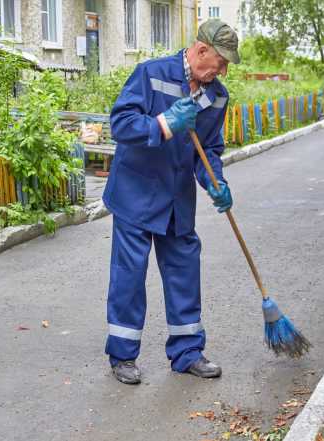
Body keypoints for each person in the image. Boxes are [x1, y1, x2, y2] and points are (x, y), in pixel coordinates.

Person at [102, 19, 240, 384]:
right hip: (136, 194)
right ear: (200, 50)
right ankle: (122, 355)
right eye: (220, 61)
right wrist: (162, 123)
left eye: (225, 65)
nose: (222, 70)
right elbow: (120, 123)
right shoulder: (150, 74)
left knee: (184, 272)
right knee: (129, 277)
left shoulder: (218, 96)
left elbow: (208, 149)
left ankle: (187, 352)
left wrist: (216, 182)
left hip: (177, 200)